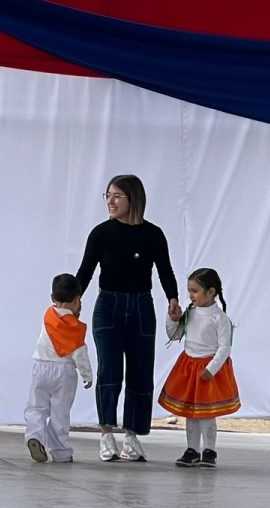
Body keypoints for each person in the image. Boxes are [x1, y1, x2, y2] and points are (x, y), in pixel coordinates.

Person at [76, 174, 181, 462]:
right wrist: (72, 301)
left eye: (117, 195)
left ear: (133, 199)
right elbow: (84, 271)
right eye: (108, 195)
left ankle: (132, 436)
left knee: (140, 372)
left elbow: (165, 271)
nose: (110, 201)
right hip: (107, 305)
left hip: (141, 306)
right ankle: (106, 434)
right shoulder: (100, 233)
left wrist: (173, 298)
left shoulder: (153, 234)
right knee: (109, 371)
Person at [159, 268, 239, 469]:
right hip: (188, 367)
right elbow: (175, 336)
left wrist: (211, 369)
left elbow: (224, 348)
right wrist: (172, 318)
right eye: (189, 291)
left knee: (206, 413)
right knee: (190, 412)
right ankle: (192, 449)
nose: (190, 296)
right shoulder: (191, 313)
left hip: (208, 370)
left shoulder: (220, 318)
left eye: (194, 291)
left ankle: (209, 450)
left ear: (211, 292)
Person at [24, 273, 93, 463]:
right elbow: (80, 353)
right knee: (59, 412)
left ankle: (35, 436)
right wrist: (87, 375)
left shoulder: (48, 315)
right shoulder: (75, 327)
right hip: (64, 371)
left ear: (53, 298)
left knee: (37, 406)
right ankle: (60, 451)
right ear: (77, 300)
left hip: (40, 365)